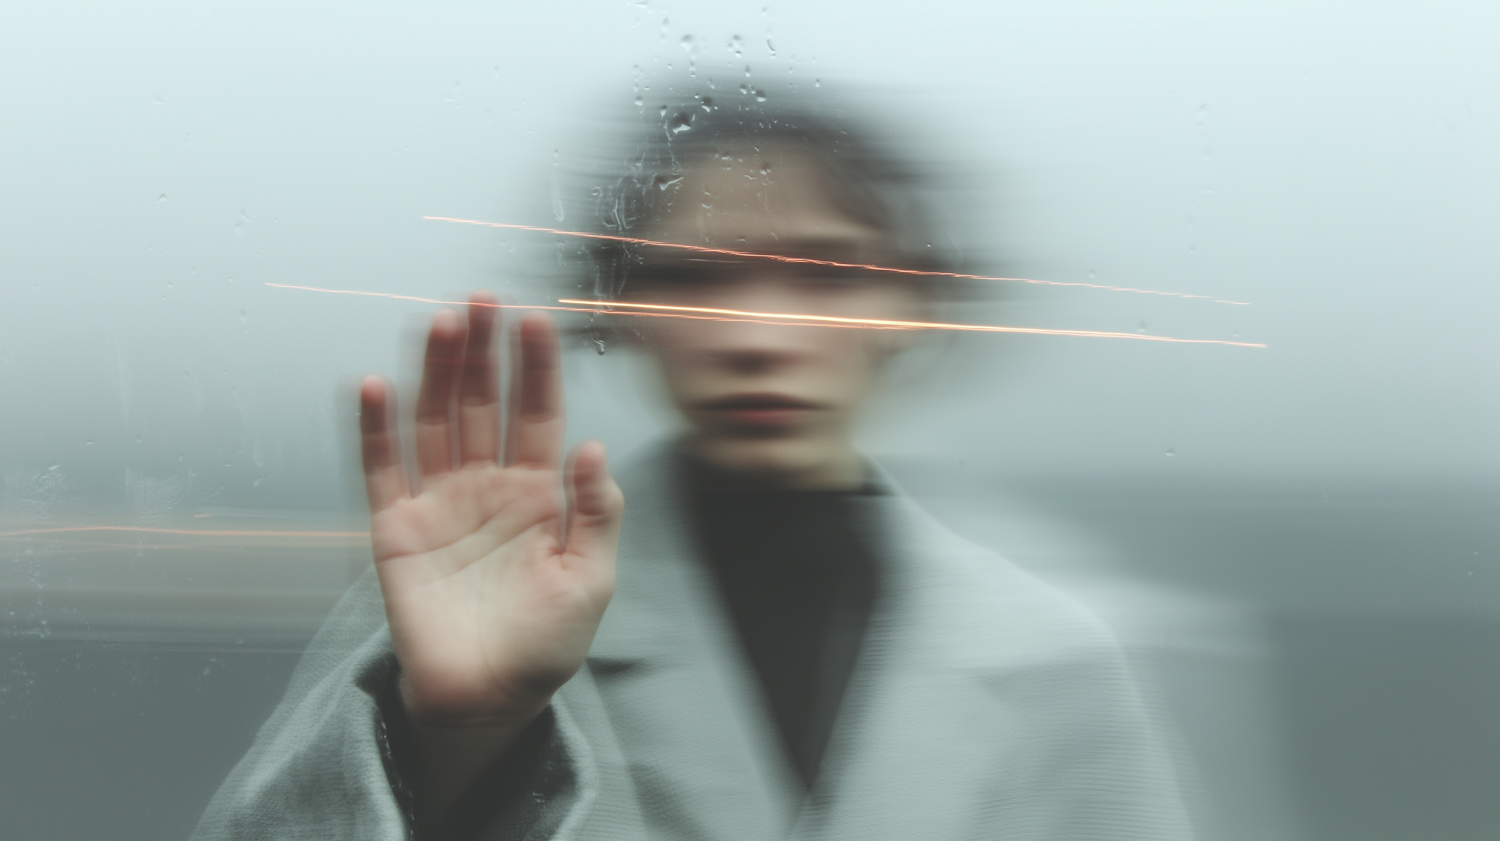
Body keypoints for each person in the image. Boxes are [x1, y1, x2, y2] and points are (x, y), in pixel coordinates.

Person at [192, 95, 1194, 841]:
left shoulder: (1052, 657)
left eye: (828, 275)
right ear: (617, 307)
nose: (756, 334)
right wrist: (455, 736)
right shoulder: (464, 597)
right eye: (691, 275)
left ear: (916, 307)